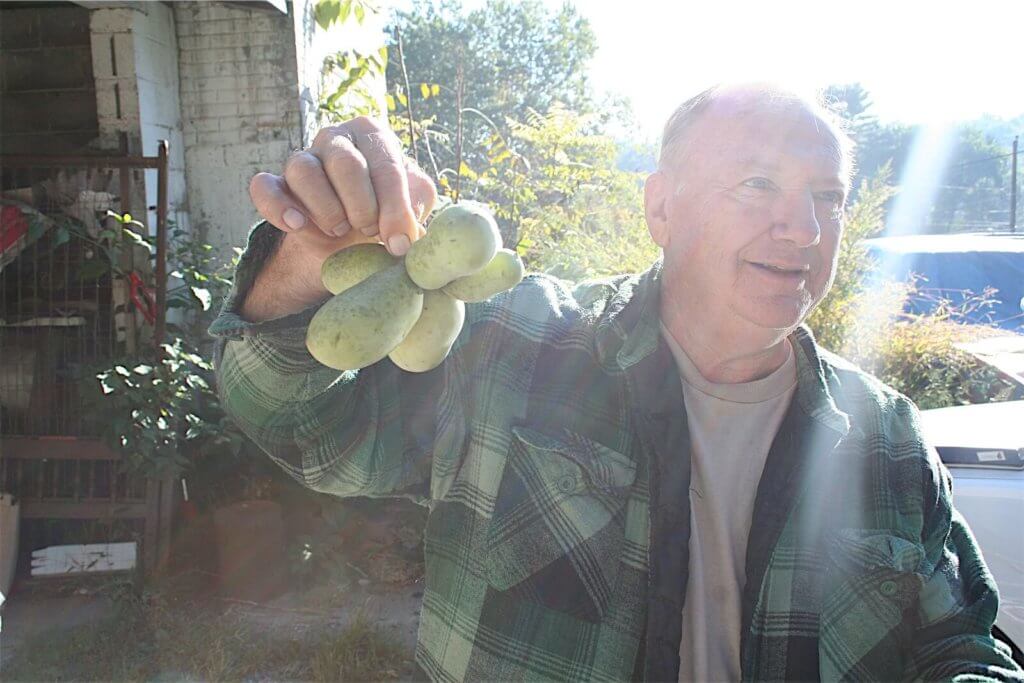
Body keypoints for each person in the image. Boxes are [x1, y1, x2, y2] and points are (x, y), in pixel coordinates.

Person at [210, 83, 1023, 681]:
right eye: (759, 185)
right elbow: (296, 425)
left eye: (827, 198)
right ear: (660, 208)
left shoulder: (887, 436)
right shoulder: (515, 345)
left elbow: (965, 643)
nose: (804, 229)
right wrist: (303, 266)